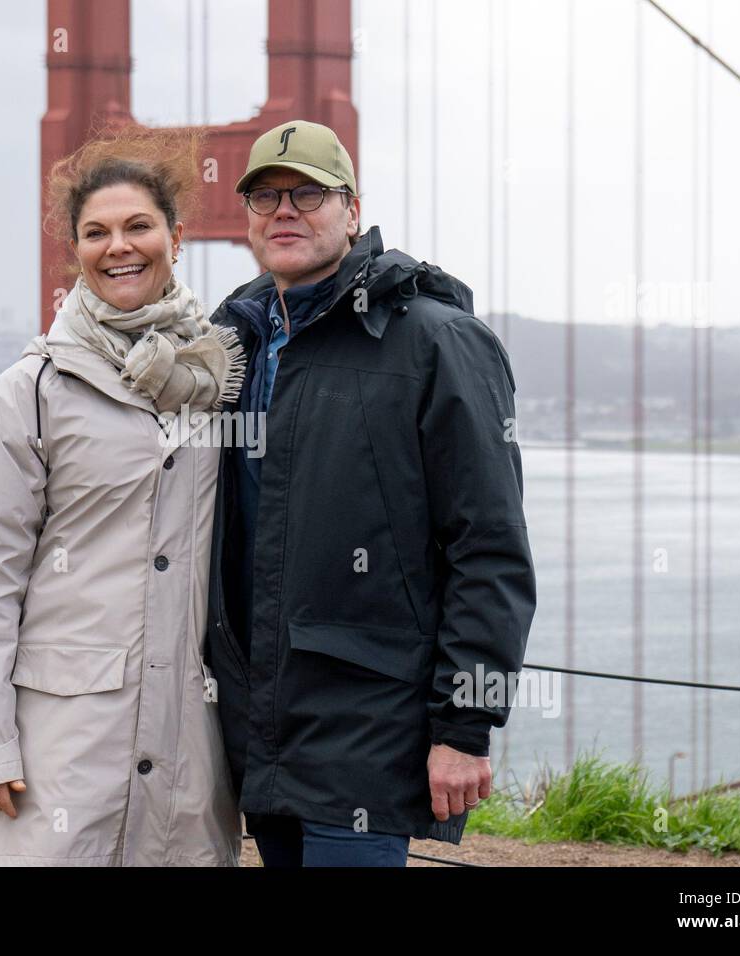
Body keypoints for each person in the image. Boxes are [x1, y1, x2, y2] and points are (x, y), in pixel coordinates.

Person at [204, 119, 538, 867]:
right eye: (263, 197)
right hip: (260, 725)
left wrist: (466, 725)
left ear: (353, 212)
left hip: (368, 726)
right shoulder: (235, 343)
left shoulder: (438, 342)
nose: (282, 210)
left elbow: (489, 546)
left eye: (307, 194)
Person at [0, 124, 245, 866]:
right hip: (63, 745)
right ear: (73, 250)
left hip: (191, 748)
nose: (120, 246)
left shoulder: (222, 379)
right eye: (96, 232)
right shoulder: (27, 395)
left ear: (176, 234)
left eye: (139, 226)